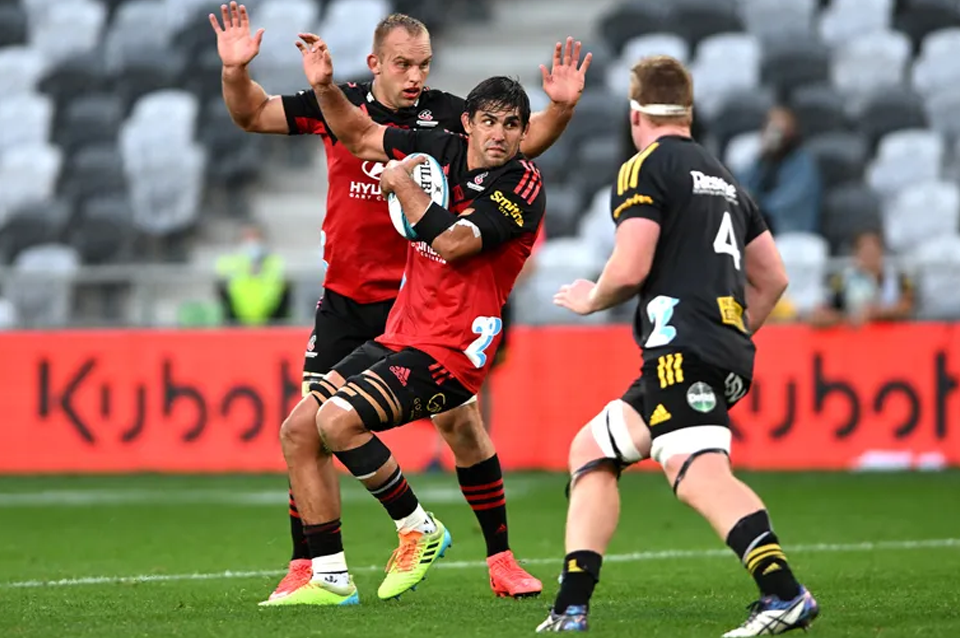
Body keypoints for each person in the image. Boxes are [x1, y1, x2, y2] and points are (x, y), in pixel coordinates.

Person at [209, 3, 589, 604]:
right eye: (404, 65)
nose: (416, 76)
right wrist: (236, 71)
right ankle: (314, 567)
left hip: (424, 302)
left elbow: (515, 142)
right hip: (348, 299)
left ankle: (498, 556)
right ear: (375, 63)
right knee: (306, 429)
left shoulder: (447, 116)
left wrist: (561, 110)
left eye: (424, 64)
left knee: (460, 425)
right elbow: (254, 113)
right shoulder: (342, 103)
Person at [536, 56, 819, 636]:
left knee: (695, 471)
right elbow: (773, 277)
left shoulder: (644, 167)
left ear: (634, 114)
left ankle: (784, 592)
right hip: (715, 345)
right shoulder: (725, 178)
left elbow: (631, 266)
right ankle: (570, 606)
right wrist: (729, 332)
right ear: (688, 113)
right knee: (592, 449)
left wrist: (592, 298)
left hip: (680, 347)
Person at [283, 33, 547, 605]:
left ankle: (421, 529)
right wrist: (324, 87)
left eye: (512, 126)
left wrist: (403, 184)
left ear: (524, 134)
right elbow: (360, 135)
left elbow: (454, 243)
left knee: (340, 423)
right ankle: (328, 576)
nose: (499, 135)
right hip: (402, 331)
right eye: (489, 122)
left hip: (451, 349)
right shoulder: (437, 149)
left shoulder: (522, 185)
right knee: (300, 428)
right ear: (468, 124)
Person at [739, 105, 822, 236]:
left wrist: (761, 205)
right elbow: (744, 184)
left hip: (791, 231)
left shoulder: (803, 162)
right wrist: (762, 156)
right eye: (770, 128)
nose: (774, 134)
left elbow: (792, 198)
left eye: (779, 129)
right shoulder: (764, 160)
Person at [809, 230, 915, 328]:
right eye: (865, 251)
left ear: (881, 252)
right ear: (855, 255)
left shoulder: (899, 276)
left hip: (894, 335)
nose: (870, 256)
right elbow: (827, 311)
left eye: (873, 251)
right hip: (855, 337)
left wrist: (876, 313)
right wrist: (847, 317)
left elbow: (907, 307)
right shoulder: (842, 280)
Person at [215, 222, 291, 326]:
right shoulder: (228, 262)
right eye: (247, 237)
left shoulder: (276, 261)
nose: (251, 242)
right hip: (236, 322)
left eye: (255, 236)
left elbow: (282, 286)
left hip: (271, 321)